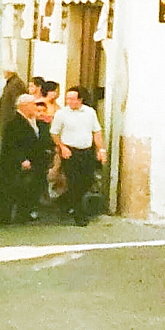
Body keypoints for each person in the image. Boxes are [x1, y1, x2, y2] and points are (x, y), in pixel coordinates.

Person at [50, 86, 106, 226]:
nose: (69, 101)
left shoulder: (89, 112)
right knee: (74, 181)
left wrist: (101, 149)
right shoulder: (61, 114)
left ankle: (63, 201)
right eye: (68, 98)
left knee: (87, 180)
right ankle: (79, 214)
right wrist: (62, 147)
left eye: (72, 98)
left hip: (86, 151)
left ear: (80, 99)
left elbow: (96, 132)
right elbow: (54, 133)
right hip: (70, 152)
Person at [0, 94, 46, 224]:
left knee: (31, 187)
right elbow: (11, 144)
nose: (35, 107)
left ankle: (24, 213)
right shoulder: (14, 122)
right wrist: (22, 159)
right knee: (14, 188)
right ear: (24, 106)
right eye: (33, 104)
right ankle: (5, 217)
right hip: (19, 162)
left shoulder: (35, 121)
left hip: (35, 160)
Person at [0, 68, 27, 136]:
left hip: (11, 120)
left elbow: (18, 102)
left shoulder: (16, 83)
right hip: (7, 119)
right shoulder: (11, 83)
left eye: (4, 71)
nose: (3, 73)